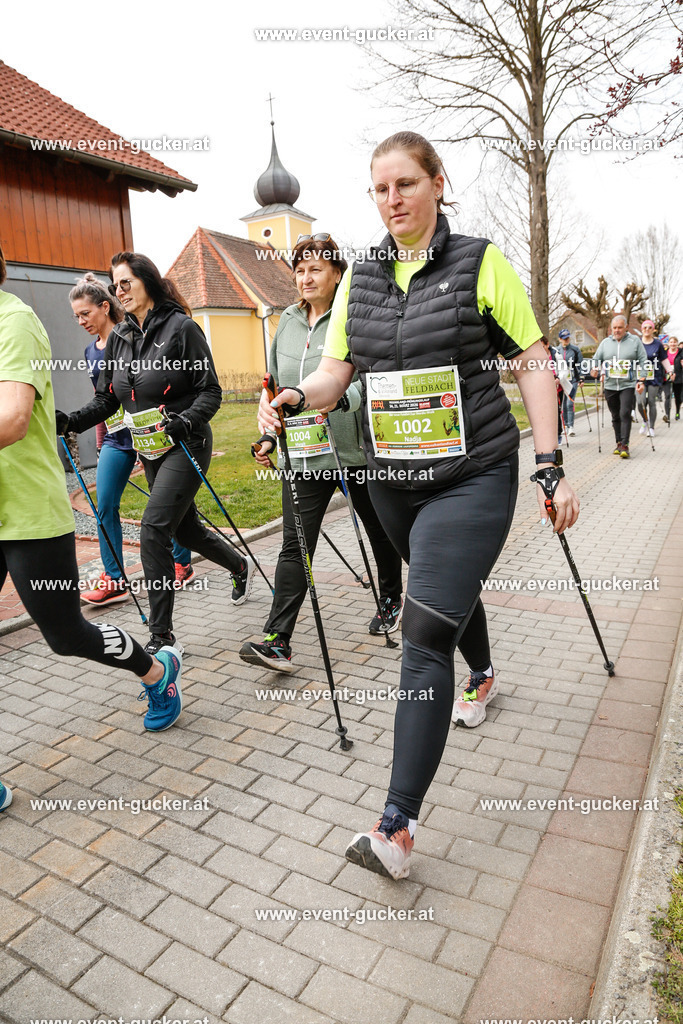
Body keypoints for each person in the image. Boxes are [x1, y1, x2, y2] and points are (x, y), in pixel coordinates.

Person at [259, 131, 579, 880]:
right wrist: (296, 398)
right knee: (445, 595)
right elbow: (338, 368)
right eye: (379, 189)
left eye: (405, 184)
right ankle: (487, 672)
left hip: (472, 474)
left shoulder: (478, 261)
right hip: (388, 479)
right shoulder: (361, 278)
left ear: (437, 183)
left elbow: (531, 360)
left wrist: (549, 463)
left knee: (422, 632)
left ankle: (394, 827)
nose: (392, 200)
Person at [0, 243, 184, 812]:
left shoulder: (14, 321)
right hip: (82, 457)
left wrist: (175, 420)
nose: (85, 318)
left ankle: (157, 668)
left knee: (66, 634)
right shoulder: (97, 343)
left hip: (29, 511)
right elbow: (102, 399)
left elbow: (13, 417)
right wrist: (81, 417)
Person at [57, 252, 255, 655]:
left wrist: (185, 421)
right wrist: (71, 421)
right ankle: (237, 565)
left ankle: (161, 634)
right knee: (186, 530)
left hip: (187, 442)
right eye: (116, 285)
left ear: (148, 281)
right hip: (151, 449)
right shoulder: (121, 338)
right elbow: (108, 399)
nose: (120, 291)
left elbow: (210, 391)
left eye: (126, 282)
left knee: (152, 527)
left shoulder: (182, 328)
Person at [242, 235, 403, 672]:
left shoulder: (354, 317)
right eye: (299, 270)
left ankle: (391, 596)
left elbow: (372, 379)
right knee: (295, 544)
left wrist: (340, 399)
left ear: (337, 274)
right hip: (304, 455)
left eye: (316, 269)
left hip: (354, 451)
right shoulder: (287, 322)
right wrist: (271, 435)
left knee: (380, 530)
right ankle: (278, 639)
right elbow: (275, 386)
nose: (306, 277)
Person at [69, 274, 195, 607]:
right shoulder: (90, 351)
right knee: (105, 504)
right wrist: (98, 440)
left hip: (148, 434)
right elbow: (102, 400)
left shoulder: (133, 340)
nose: (81, 321)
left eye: (85, 314)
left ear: (105, 307)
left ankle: (182, 561)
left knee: (166, 503)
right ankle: (115, 578)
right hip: (115, 439)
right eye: (76, 316)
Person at [590, 315, 647, 459]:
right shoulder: (605, 343)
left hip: (627, 384)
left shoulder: (635, 341)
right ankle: (618, 442)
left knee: (625, 412)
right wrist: (594, 368)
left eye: (620, 327)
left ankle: (625, 444)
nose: (617, 330)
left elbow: (643, 360)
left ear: (626, 327)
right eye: (614, 328)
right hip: (610, 384)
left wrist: (642, 379)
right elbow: (596, 359)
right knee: (615, 415)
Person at [635, 320, 667, 437]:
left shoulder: (657, 344)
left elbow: (664, 359)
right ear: (642, 329)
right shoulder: (637, 342)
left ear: (653, 329)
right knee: (640, 402)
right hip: (640, 377)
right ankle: (645, 420)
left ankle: (652, 427)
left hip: (654, 376)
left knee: (652, 401)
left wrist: (670, 371)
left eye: (649, 327)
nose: (647, 329)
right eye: (645, 327)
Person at [553, 328, 582, 436]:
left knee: (570, 403)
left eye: (568, 338)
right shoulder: (556, 351)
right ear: (560, 339)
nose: (566, 340)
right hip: (562, 380)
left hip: (573, 379)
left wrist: (581, 378)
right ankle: (564, 424)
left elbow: (580, 364)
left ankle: (571, 427)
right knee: (563, 404)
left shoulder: (575, 349)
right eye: (564, 338)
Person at [669, 336, 683, 420]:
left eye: (674, 342)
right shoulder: (666, 352)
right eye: (671, 342)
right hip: (668, 376)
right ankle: (672, 413)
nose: (673, 344)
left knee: (680, 397)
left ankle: (677, 411)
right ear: (669, 343)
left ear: (677, 343)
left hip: (679, 377)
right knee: (672, 396)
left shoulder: (681, 352)